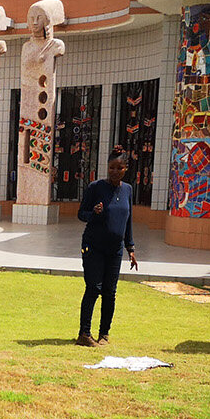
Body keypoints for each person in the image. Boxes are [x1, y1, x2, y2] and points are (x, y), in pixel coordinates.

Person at [76, 147, 140, 347]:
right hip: (93, 246)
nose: (115, 171)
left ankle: (104, 334)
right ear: (107, 167)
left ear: (126, 168)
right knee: (93, 288)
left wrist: (130, 248)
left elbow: (128, 220)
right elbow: (81, 214)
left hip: (115, 250)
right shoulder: (95, 187)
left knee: (110, 292)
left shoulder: (128, 190)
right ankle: (84, 334)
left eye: (119, 168)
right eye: (112, 167)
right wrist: (94, 213)